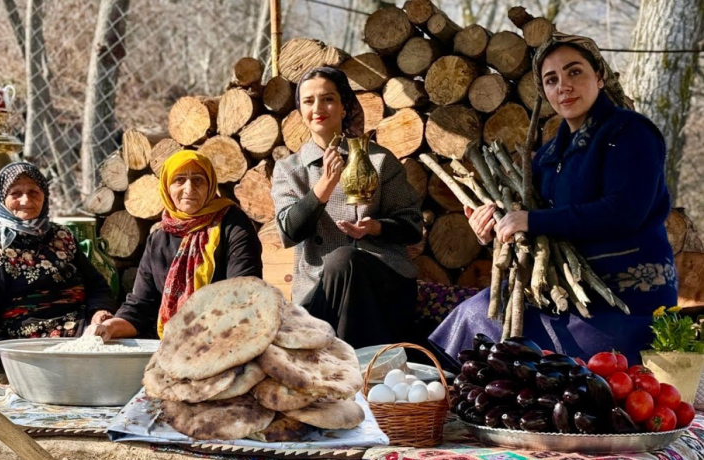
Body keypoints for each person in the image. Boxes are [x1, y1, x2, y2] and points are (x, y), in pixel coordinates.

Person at [429, 33, 677, 367]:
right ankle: (429, 405)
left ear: (599, 77)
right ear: (544, 92)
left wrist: (531, 220)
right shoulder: (547, 156)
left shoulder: (630, 132)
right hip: (562, 297)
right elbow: (534, 233)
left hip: (626, 304)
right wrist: (494, 230)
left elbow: (624, 212)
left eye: (575, 72)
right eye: (551, 79)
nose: (564, 85)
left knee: (534, 353)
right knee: (476, 313)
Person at [270, 66, 423, 349]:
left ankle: (341, 367)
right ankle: (362, 367)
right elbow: (288, 232)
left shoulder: (377, 160)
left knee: (345, 259)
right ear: (300, 111)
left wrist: (375, 227)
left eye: (328, 99)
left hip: (382, 285)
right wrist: (324, 186)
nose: (318, 108)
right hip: (318, 293)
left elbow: (412, 226)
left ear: (344, 107)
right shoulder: (289, 170)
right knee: (340, 260)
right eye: (308, 101)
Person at [0, 162, 116, 378]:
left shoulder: (61, 235)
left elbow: (97, 286)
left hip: (81, 327)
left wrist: (98, 313)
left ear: (45, 196)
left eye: (34, 192)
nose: (26, 201)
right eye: (16, 193)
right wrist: (7, 356)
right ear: (1, 199)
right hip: (25, 336)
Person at [89, 150, 263, 340]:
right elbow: (140, 306)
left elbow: (243, 292)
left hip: (224, 339)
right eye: (179, 180)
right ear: (166, 187)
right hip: (172, 344)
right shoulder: (159, 239)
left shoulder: (233, 224)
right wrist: (109, 327)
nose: (189, 189)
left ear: (210, 185)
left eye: (198, 180)